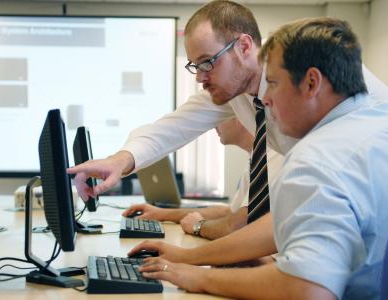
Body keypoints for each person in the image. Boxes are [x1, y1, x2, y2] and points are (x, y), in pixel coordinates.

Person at [130, 18, 388, 299]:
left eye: (274, 83)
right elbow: (284, 224)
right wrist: (189, 257)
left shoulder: (317, 157)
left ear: (312, 83)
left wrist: (199, 276)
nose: (264, 100)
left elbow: (307, 290)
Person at [68, 0, 292, 239]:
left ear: (244, 46)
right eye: (195, 66)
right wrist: (118, 161)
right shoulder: (232, 90)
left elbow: (250, 224)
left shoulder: (294, 77)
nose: (199, 78)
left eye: (207, 62)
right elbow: (173, 127)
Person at [122, 117, 255, 240]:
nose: (214, 125)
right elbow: (229, 212)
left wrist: (199, 226)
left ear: (241, 116)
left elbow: (235, 227)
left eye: (220, 117)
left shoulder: (267, 159)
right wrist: (162, 214)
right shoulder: (253, 159)